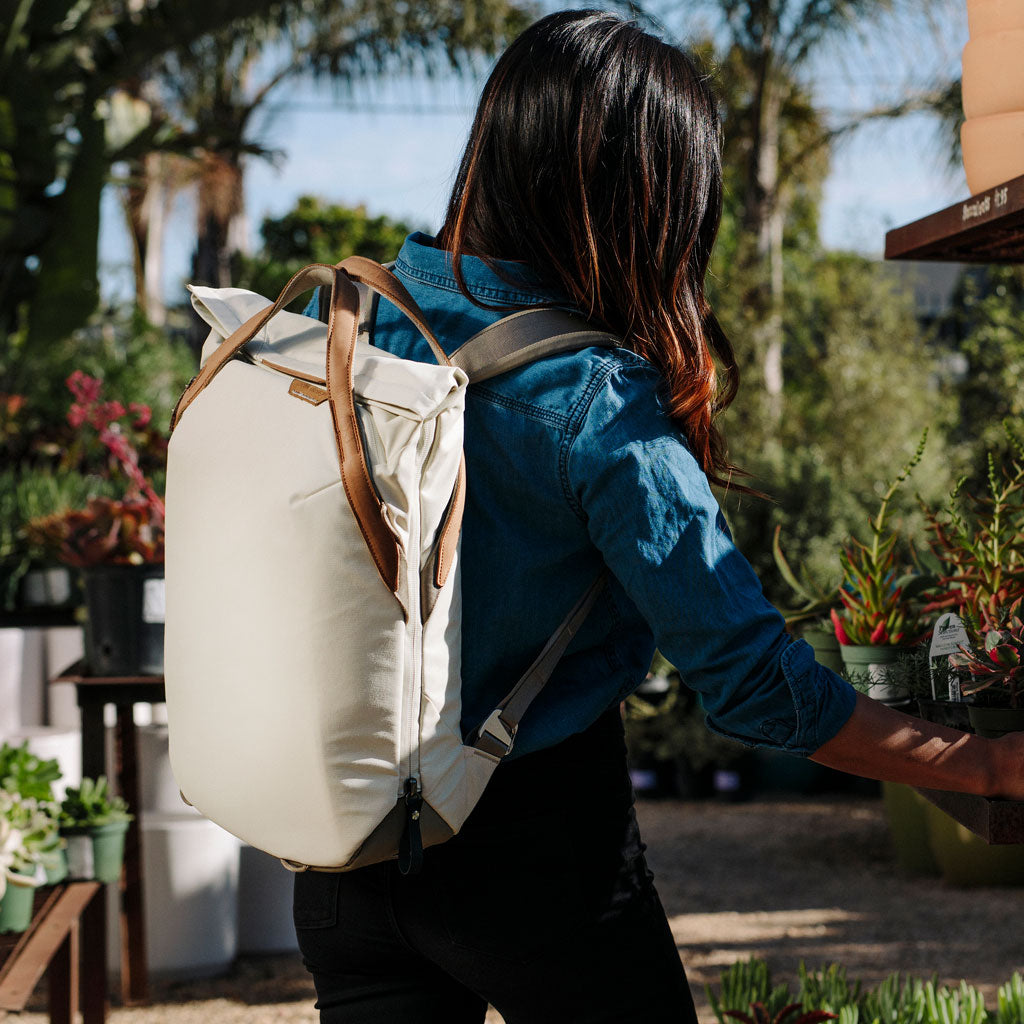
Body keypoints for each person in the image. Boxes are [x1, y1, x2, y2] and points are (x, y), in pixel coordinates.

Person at [292, 10, 1024, 1023]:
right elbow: (757, 690)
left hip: (336, 851)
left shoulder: (350, 330)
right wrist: (986, 760)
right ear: (645, 200)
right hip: (529, 867)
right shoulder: (592, 400)